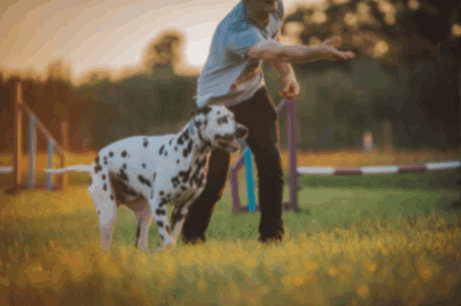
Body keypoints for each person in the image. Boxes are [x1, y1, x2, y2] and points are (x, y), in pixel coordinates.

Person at [181, 0, 355, 244]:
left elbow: (274, 40)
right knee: (214, 181)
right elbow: (275, 52)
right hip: (217, 105)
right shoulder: (237, 31)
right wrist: (317, 51)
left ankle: (272, 238)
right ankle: (191, 238)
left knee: (271, 165)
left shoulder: (276, 8)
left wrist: (287, 75)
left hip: (253, 95)